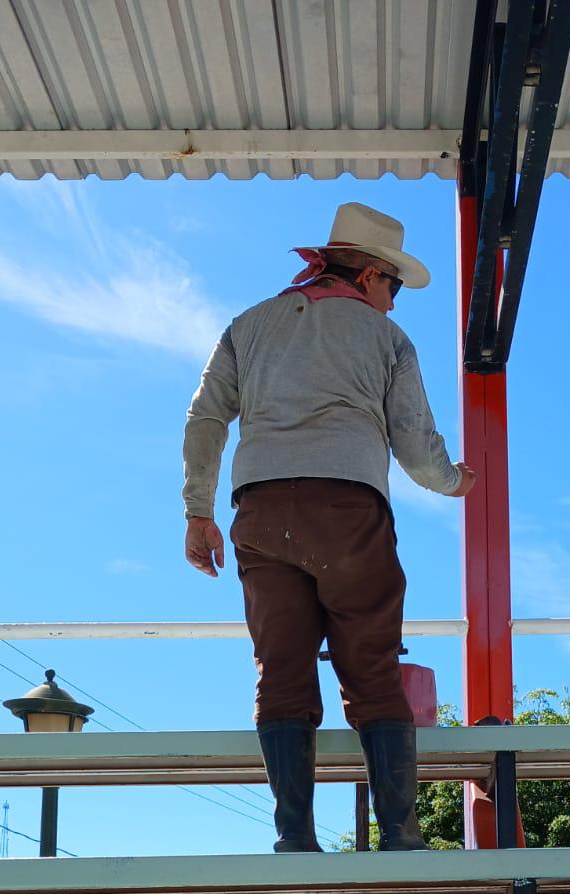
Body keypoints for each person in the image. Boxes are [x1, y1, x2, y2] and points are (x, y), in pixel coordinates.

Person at [182, 202, 476, 852]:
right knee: (370, 666)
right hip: (348, 508)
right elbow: (417, 448)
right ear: (370, 275)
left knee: (280, 667)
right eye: (393, 286)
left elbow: (205, 419)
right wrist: (456, 481)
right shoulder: (387, 339)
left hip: (258, 511)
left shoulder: (247, 326)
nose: (395, 303)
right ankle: (400, 835)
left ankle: (295, 836)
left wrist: (197, 511)